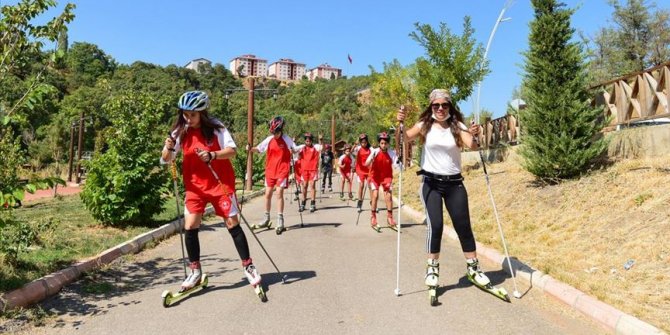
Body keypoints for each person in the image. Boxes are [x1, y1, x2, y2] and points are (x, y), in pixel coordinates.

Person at [161, 90, 261, 291]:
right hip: (194, 187)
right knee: (190, 226)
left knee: (232, 224)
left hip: (220, 185)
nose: (188, 118)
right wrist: (169, 147)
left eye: (192, 115)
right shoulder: (180, 131)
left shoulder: (217, 128)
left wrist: (212, 155)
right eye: (185, 114)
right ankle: (195, 271)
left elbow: (232, 151)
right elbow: (166, 159)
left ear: (202, 113)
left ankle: (248, 266)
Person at [396, 89, 486, 293]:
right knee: (435, 225)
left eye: (444, 105)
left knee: (463, 226)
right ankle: (432, 269)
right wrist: (400, 123)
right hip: (431, 184)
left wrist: (475, 135)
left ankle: (473, 268)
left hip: (455, 184)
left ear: (450, 107)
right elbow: (404, 138)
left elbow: (472, 145)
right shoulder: (424, 125)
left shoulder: (457, 126)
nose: (440, 109)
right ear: (431, 107)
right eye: (436, 105)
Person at [249, 116, 297, 235]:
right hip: (270, 170)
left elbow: (295, 149)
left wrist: (293, 151)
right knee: (268, 194)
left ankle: (280, 219)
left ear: (281, 130)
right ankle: (266, 218)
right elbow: (259, 149)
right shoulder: (269, 139)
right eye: (273, 132)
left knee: (279, 193)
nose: (274, 134)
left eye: (276, 132)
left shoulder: (286, 139)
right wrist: (250, 149)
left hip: (282, 170)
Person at [364, 132, 400, 232]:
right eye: (382, 143)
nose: (384, 145)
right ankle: (373, 217)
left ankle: (390, 218)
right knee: (375, 195)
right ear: (379, 143)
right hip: (375, 177)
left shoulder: (391, 153)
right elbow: (366, 164)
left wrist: (399, 162)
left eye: (385, 143)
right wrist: (371, 159)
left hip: (386, 177)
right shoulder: (375, 151)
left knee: (388, 196)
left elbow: (398, 166)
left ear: (388, 144)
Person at [295, 133, 323, 213]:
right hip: (304, 170)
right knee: (304, 186)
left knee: (312, 186)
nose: (308, 142)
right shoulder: (302, 148)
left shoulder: (316, 147)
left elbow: (322, 148)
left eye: (309, 141)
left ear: (311, 141)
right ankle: (303, 203)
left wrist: (321, 140)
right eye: (306, 141)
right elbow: (294, 151)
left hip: (313, 170)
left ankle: (312, 203)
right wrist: (292, 149)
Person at [352, 133, 372, 212]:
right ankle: (359, 202)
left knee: (370, 186)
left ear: (367, 142)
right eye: (362, 142)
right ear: (360, 142)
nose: (364, 144)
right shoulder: (358, 148)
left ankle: (372, 202)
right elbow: (351, 151)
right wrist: (355, 144)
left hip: (369, 170)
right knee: (361, 185)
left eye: (365, 142)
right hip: (360, 170)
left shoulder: (371, 149)